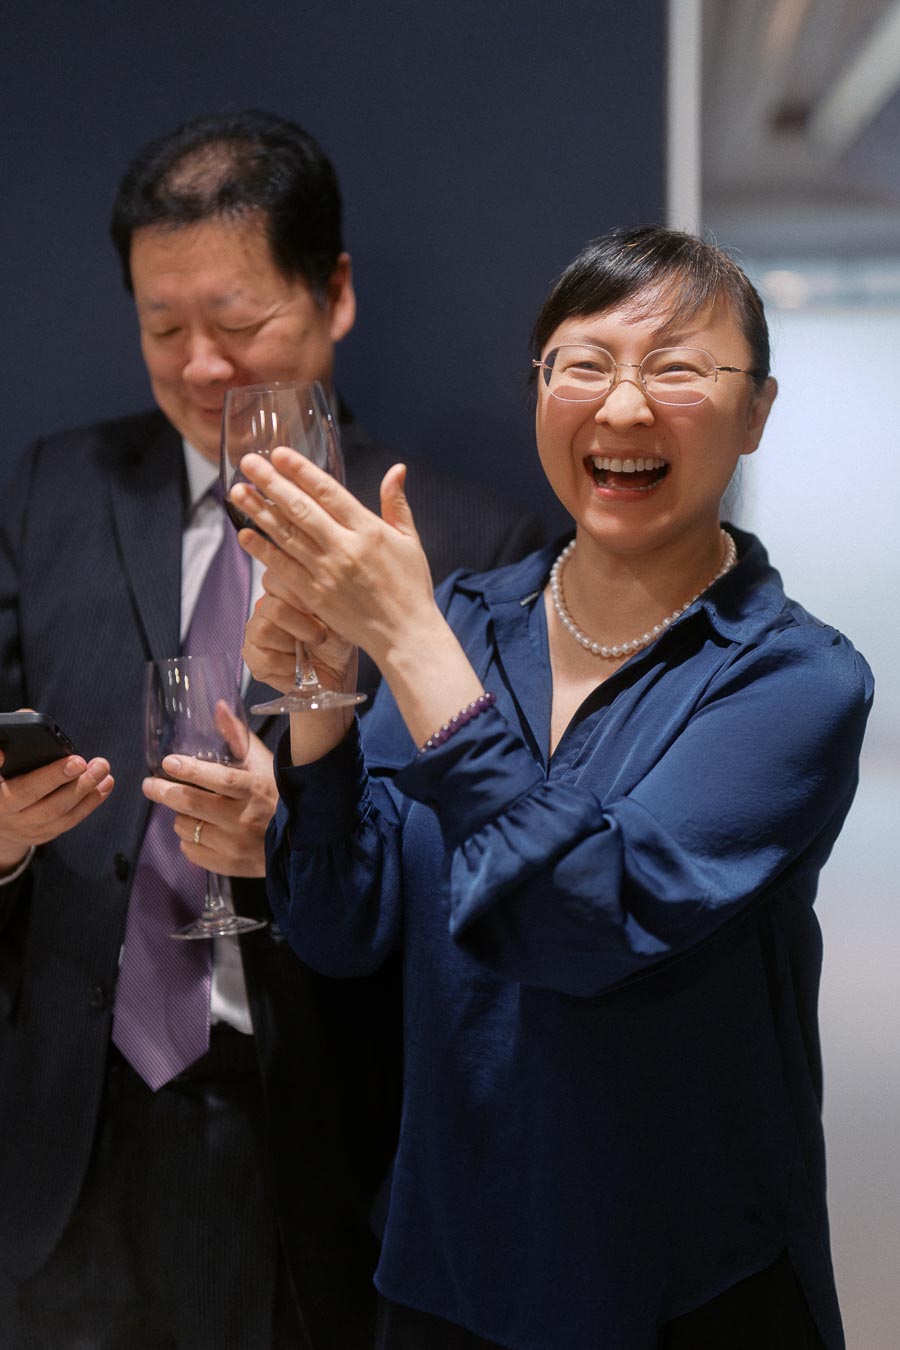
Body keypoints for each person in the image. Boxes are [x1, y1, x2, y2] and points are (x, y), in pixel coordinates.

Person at [237, 225, 873, 1350]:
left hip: (682, 1285)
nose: (622, 408)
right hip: (449, 1267)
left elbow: (575, 926)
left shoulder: (795, 679)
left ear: (757, 412)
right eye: (583, 364)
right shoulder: (473, 619)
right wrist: (324, 691)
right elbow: (341, 926)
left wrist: (408, 643)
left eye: (678, 368)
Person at [0, 110, 543, 1350]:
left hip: (338, 1132)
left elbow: (495, 870)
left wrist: (294, 841)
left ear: (333, 293)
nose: (202, 366)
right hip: (73, 1137)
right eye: (163, 328)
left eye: (238, 323)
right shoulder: (51, 492)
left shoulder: (472, 544)